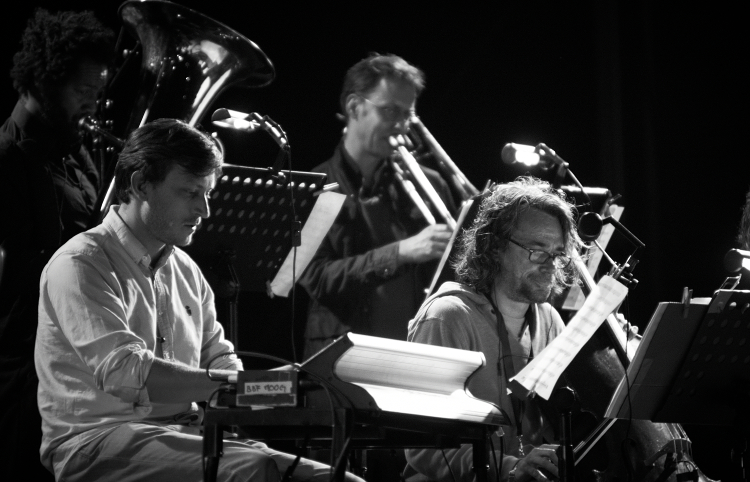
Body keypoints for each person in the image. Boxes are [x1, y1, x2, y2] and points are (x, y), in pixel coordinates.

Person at [34, 118, 363, 482]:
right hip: (94, 442)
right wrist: (245, 385)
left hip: (187, 434)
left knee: (342, 479)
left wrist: (289, 388)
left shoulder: (186, 270)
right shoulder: (81, 263)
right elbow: (127, 372)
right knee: (255, 471)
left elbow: (219, 360)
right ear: (141, 184)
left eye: (207, 194)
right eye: (190, 193)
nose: (204, 210)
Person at [405, 176, 585, 482]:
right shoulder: (447, 317)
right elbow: (423, 447)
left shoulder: (550, 320)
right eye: (537, 250)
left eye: (557, 253)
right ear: (495, 247)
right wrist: (509, 468)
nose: (550, 265)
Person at [0, 8, 114, 479]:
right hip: (23, 374)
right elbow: (10, 276)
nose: (92, 104)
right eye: (83, 91)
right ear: (45, 82)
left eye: (97, 93)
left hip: (72, 361)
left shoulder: (77, 155)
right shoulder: (8, 158)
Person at [299, 53, 455, 359]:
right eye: (390, 111)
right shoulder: (319, 186)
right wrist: (400, 253)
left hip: (418, 353)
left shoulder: (431, 184)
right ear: (354, 107)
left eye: (407, 115)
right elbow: (317, 278)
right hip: (342, 360)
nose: (401, 126)